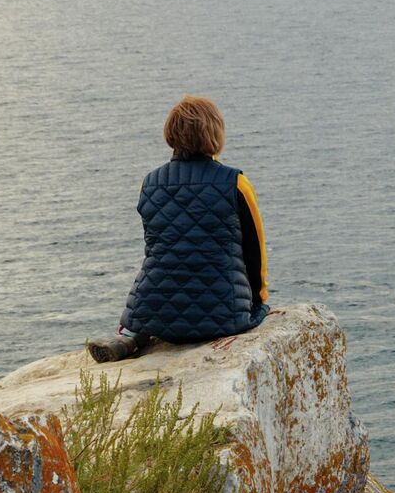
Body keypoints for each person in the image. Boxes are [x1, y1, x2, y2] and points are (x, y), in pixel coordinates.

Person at [91, 95, 269, 362]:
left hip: (154, 309)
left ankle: (131, 338)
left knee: (151, 314)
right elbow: (254, 251)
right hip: (224, 313)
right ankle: (140, 333)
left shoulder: (150, 183)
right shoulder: (236, 183)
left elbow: (156, 246)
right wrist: (259, 299)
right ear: (216, 132)